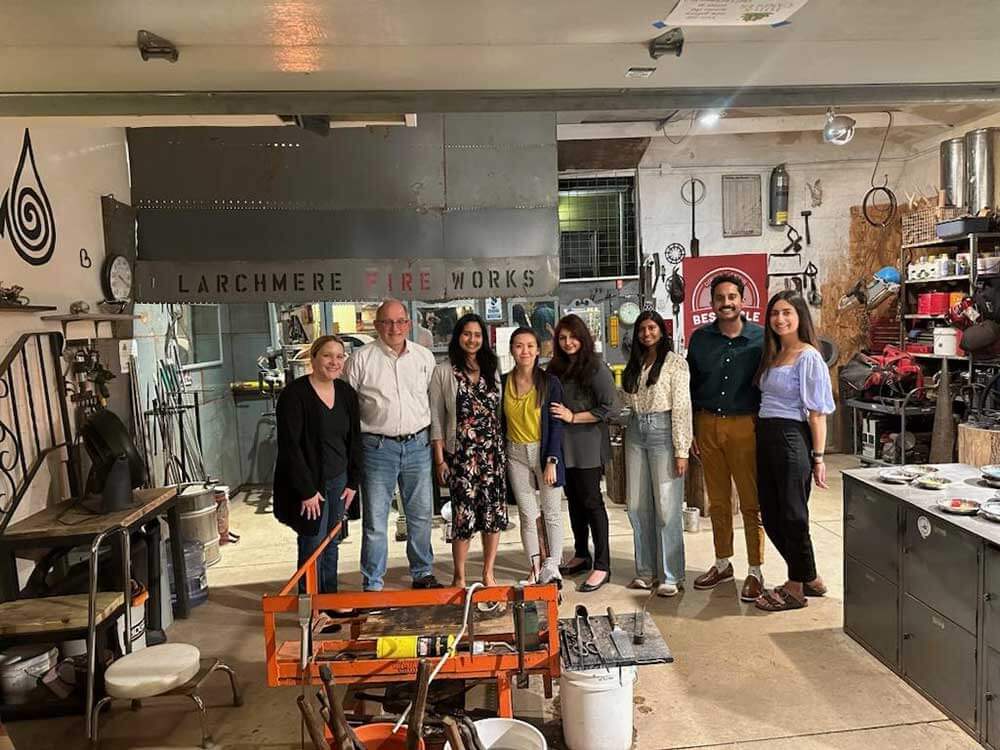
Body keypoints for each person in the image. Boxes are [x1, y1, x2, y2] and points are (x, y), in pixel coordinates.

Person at [343, 299, 441, 591]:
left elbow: (432, 402)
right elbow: (347, 407)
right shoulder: (360, 360)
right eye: (387, 322)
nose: (394, 328)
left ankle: (422, 573)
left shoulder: (424, 358)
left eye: (400, 321)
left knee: (421, 515)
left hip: (418, 446)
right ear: (376, 325)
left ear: (408, 324)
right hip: (376, 449)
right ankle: (373, 582)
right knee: (375, 520)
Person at [687, 273, 767, 602]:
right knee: (717, 501)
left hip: (745, 425)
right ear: (711, 303)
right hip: (707, 425)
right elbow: (691, 387)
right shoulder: (700, 339)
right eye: (720, 298)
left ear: (742, 300)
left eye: (732, 296)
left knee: (751, 502)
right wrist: (692, 428)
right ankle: (723, 563)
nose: (726, 303)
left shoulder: (761, 338)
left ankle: (755, 570)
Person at [753, 291, 835, 612]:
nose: (780, 319)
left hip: (791, 437)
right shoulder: (773, 353)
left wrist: (818, 458)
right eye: (775, 313)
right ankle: (809, 575)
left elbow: (817, 413)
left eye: (787, 312)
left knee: (793, 515)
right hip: (766, 435)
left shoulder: (808, 356)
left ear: (800, 316)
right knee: (771, 514)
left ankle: (796, 588)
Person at [273, 336, 362, 595]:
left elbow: (354, 440)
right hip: (311, 485)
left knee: (332, 540)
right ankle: (310, 605)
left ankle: (329, 599)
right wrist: (307, 491)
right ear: (313, 359)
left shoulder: (346, 394)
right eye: (327, 355)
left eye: (339, 356)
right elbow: (290, 447)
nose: (334, 361)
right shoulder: (294, 395)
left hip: (340, 481)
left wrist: (352, 482)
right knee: (313, 542)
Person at [429, 314, 507, 588]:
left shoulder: (491, 367)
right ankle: (459, 575)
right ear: (458, 337)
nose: (472, 340)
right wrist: (440, 460)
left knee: (492, 514)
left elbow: (499, 411)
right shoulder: (443, 371)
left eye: (477, 335)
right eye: (467, 334)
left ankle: (488, 573)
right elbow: (436, 418)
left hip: (492, 455)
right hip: (462, 456)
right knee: (463, 516)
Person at [621, 311, 692, 597]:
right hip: (635, 430)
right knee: (636, 505)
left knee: (666, 506)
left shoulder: (676, 363)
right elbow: (628, 399)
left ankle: (671, 575)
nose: (647, 333)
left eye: (652, 328)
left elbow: (682, 407)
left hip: (663, 430)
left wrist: (682, 449)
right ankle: (646, 571)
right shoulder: (636, 363)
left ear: (661, 331)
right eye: (642, 329)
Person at [549, 314, 620, 593]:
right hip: (564, 446)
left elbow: (611, 407)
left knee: (592, 503)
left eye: (573, 337)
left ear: (583, 338)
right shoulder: (556, 368)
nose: (568, 343)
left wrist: (573, 417)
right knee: (575, 502)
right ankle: (582, 553)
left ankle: (602, 564)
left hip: (588, 444)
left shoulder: (595, 368)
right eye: (563, 338)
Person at [501, 327, 565, 586]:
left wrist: (552, 460)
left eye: (530, 346)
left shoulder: (550, 383)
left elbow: (556, 423)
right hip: (515, 453)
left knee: (551, 513)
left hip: (544, 451)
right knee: (527, 515)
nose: (524, 351)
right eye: (519, 346)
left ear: (538, 350)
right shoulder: (503, 382)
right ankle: (534, 567)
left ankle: (552, 566)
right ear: (511, 350)